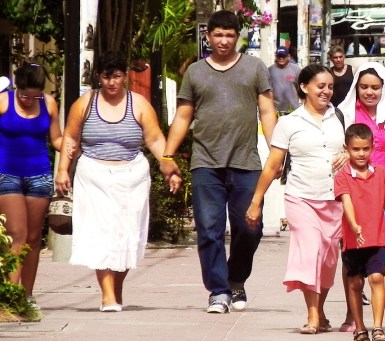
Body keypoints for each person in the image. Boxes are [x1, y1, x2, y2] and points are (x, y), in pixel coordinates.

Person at [159, 10, 277, 314]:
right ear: (208, 36)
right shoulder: (196, 72)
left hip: (246, 162)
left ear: (237, 37)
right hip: (205, 163)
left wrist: (278, 149)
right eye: (218, 35)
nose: (223, 41)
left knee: (250, 228)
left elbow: (266, 111)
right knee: (209, 229)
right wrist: (167, 155)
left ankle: (236, 277)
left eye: (229, 35)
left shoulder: (254, 68)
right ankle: (219, 291)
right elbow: (183, 115)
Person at [55, 50, 181, 312]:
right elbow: (70, 138)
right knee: (101, 234)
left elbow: (156, 139)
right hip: (94, 175)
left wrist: (168, 166)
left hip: (132, 176)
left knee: (126, 235)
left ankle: (116, 287)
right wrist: (63, 171)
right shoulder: (85, 103)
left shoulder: (139, 104)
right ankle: (107, 295)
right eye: (106, 76)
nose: (111, 82)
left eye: (117, 76)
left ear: (125, 76)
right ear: (98, 77)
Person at [245, 64, 347, 334]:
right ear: (305, 87)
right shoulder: (289, 123)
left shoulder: (339, 117)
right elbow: (273, 165)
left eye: (330, 87)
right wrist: (256, 201)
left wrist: (348, 154)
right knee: (310, 251)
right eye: (320, 86)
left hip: (335, 199)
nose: (326, 91)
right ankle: (312, 314)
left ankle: (321, 311)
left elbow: (354, 148)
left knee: (327, 259)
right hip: (301, 197)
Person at [337, 62, 385, 335]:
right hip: (354, 197)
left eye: (375, 87)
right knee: (354, 259)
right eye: (364, 87)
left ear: (384, 88)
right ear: (356, 87)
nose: (369, 92)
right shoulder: (344, 114)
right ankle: (353, 315)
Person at [0, 62, 62, 309]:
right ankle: (11, 295)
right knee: (17, 234)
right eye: (24, 94)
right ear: (17, 87)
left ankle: (27, 294)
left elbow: (56, 138)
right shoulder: (4, 101)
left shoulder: (48, 104)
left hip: (39, 175)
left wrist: (71, 145)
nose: (28, 100)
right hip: (7, 174)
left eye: (34, 94)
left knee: (34, 238)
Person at [334, 123, 385, 341]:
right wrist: (354, 225)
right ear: (347, 149)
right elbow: (347, 202)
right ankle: (359, 329)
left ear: (372, 148)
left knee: (377, 278)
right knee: (355, 283)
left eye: (365, 149)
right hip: (352, 240)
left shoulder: (381, 173)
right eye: (356, 149)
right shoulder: (342, 176)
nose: (361, 154)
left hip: (376, 237)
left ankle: (378, 328)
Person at [269, 46, 301, 113]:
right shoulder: (270, 70)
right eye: (279, 56)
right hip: (276, 110)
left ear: (288, 56)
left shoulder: (296, 70)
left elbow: (301, 88)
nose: (281, 58)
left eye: (283, 56)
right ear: (276, 56)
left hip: (293, 109)